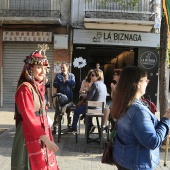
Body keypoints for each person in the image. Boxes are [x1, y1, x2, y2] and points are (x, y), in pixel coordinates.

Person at [111, 66, 170, 170]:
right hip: (136, 164)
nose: (147, 83)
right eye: (145, 80)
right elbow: (153, 142)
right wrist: (166, 120)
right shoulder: (138, 111)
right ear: (138, 83)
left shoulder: (123, 102)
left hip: (124, 159)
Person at [11, 51, 59, 170]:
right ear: (30, 69)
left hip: (40, 133)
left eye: (45, 68)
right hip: (28, 134)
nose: (43, 71)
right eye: (38, 67)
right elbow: (29, 116)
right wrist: (46, 140)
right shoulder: (25, 89)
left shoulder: (36, 87)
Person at [52, 62, 76, 134]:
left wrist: (67, 80)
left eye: (63, 68)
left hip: (69, 98)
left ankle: (69, 126)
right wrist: (60, 81)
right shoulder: (58, 75)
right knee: (57, 113)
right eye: (61, 68)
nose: (62, 69)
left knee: (69, 113)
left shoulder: (71, 76)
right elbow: (54, 85)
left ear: (67, 68)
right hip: (60, 99)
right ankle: (55, 127)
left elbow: (73, 85)